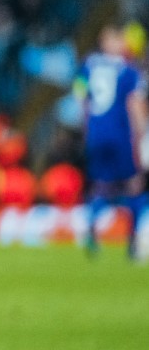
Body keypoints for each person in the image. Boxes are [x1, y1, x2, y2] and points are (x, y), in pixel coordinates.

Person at [74, 25, 148, 261]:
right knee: (134, 184)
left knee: (102, 185)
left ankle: (90, 230)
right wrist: (142, 134)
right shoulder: (128, 70)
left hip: (95, 134)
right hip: (121, 135)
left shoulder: (88, 64)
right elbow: (134, 105)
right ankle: (133, 241)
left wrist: (87, 126)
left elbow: (79, 95)